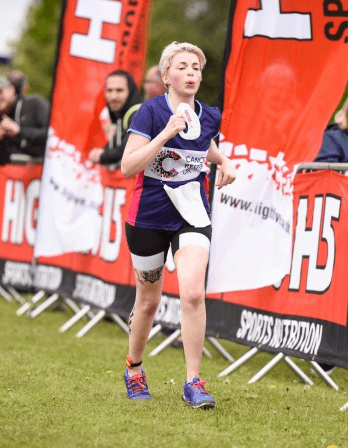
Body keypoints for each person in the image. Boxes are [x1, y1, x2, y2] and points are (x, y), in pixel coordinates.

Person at [120, 42, 236, 408]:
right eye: (183, 67)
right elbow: (128, 166)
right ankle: (135, 369)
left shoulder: (210, 114)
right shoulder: (150, 112)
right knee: (148, 301)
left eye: (196, 68)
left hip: (191, 214)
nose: (191, 73)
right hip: (149, 216)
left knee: (192, 292)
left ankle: (194, 381)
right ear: (167, 74)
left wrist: (225, 162)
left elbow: (205, 145)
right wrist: (166, 133)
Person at [0, 74, 49, 166]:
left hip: (44, 171)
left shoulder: (34, 104)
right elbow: (1, 161)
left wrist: (19, 131)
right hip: (16, 176)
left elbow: (54, 136)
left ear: (11, 90)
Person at [88, 70, 142, 167]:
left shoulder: (138, 114)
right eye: (109, 90)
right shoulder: (122, 114)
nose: (113, 96)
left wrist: (102, 156)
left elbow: (125, 149)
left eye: (119, 90)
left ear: (130, 92)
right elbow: (117, 145)